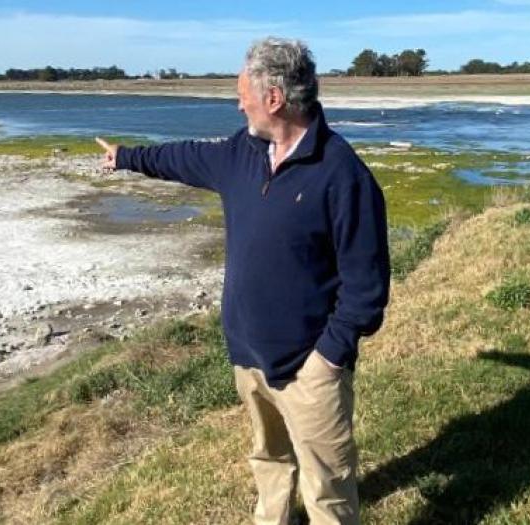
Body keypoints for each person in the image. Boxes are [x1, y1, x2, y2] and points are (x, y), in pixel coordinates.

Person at [95, 37, 390, 524]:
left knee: (329, 489)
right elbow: (185, 158)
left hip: (310, 369)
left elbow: (367, 288)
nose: (238, 104)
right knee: (269, 461)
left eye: (242, 94)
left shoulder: (343, 175)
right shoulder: (242, 153)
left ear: (273, 98)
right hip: (248, 357)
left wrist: (329, 356)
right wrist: (127, 157)